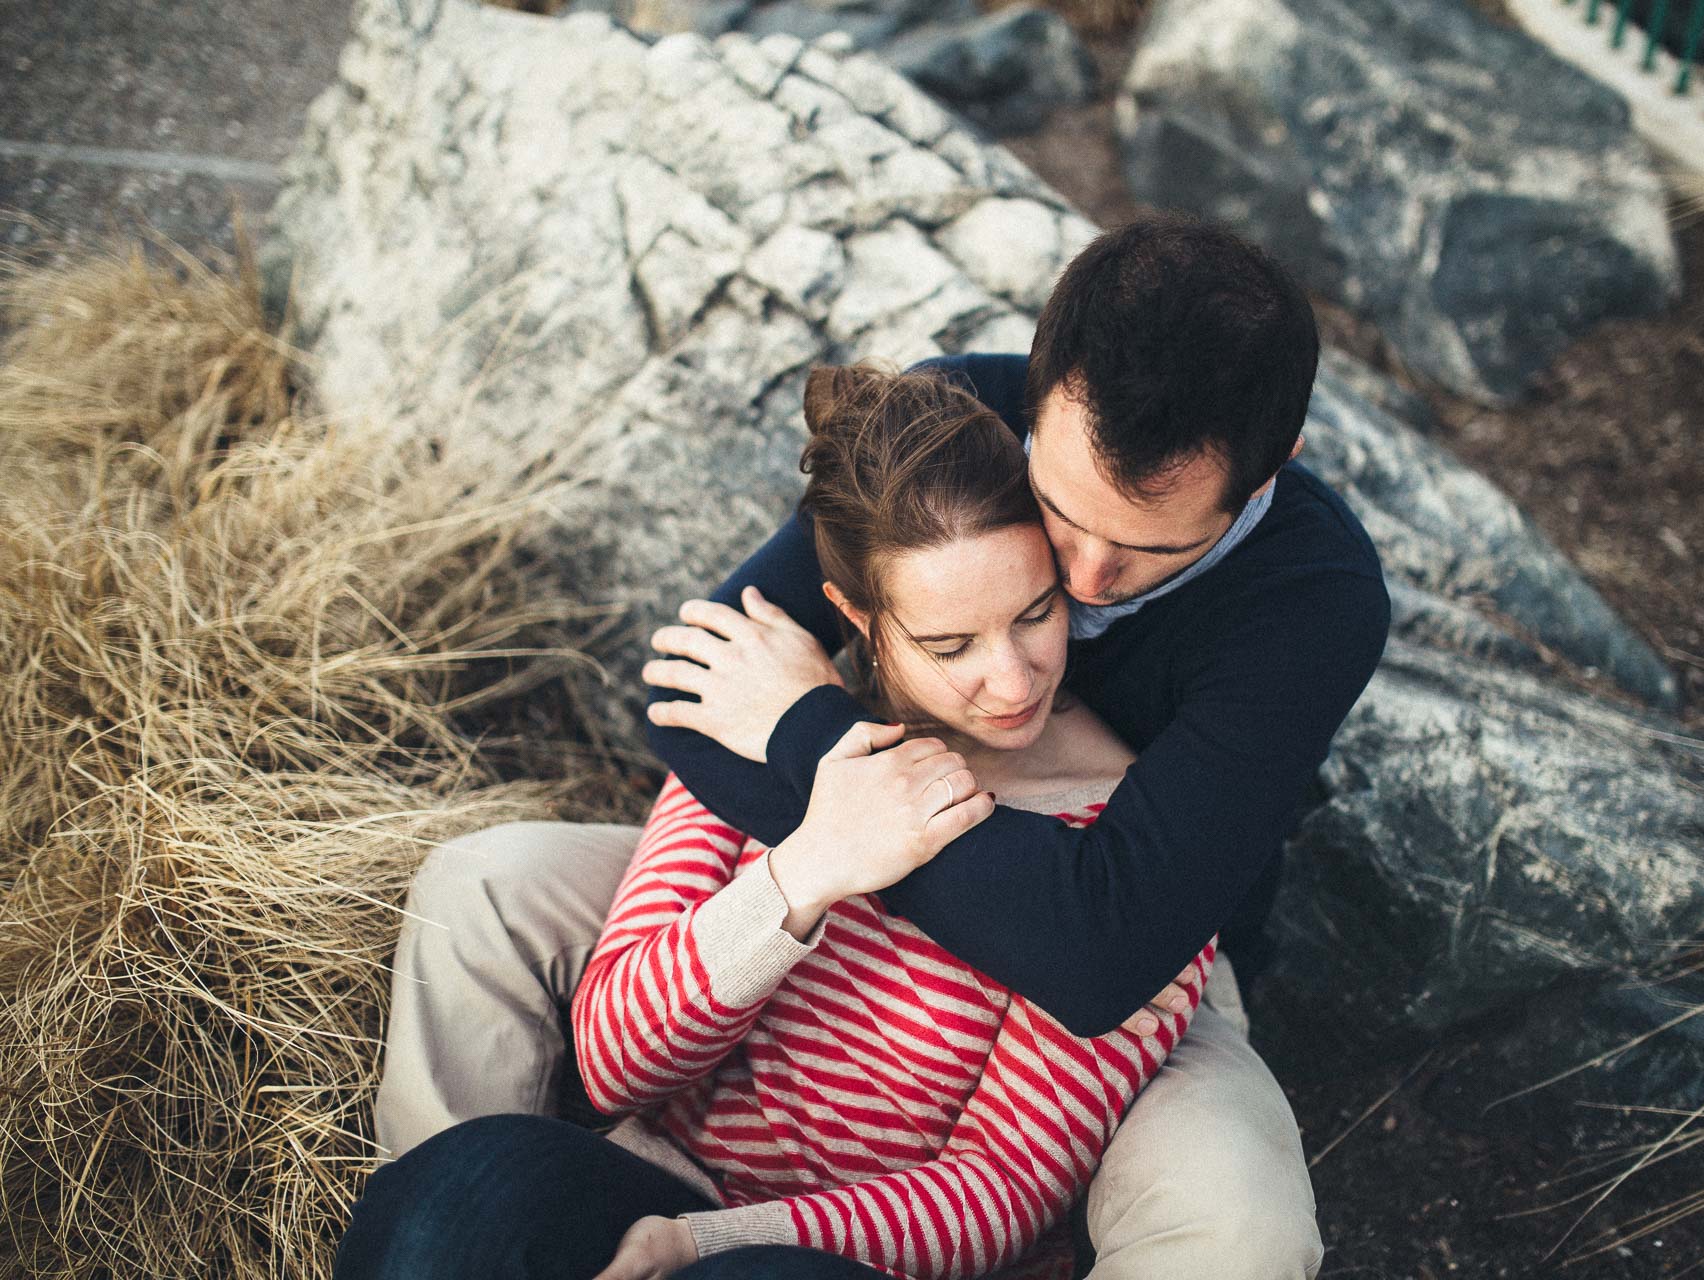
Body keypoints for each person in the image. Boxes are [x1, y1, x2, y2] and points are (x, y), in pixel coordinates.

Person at [370, 212, 1385, 1280]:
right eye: (1056, 515)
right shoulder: (955, 432)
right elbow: (696, 703)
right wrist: (823, 851)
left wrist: (816, 744)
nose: (1084, 581)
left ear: (1277, 465)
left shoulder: (1314, 599)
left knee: (1239, 1230)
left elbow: (1104, 955)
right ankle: (466, 1204)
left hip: (1138, 911)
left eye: (1145, 550)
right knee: (481, 888)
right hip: (889, 852)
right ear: (1034, 398)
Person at [337, 365, 1214, 1280]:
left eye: (1036, 613)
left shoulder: (1126, 858)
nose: (1014, 678)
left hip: (837, 1257)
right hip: (643, 1178)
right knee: (449, 1209)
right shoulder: (771, 708)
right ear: (859, 618)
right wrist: (807, 872)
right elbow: (608, 1066)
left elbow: (994, 1193)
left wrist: (699, 1243)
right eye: (950, 645)